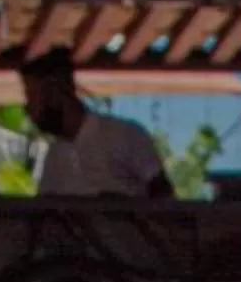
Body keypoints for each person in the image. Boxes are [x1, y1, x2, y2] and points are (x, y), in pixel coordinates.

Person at [19, 46, 173, 201]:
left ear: (56, 93)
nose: (27, 109)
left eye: (32, 96)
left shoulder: (123, 135)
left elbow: (163, 195)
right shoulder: (53, 156)